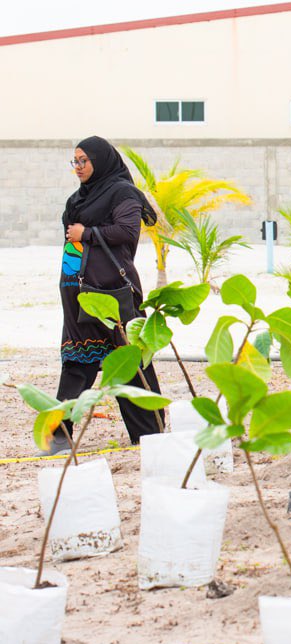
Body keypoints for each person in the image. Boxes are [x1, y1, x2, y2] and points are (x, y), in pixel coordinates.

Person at [53, 136, 164, 452]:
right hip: (77, 292)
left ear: (100, 161)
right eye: (75, 161)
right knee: (76, 361)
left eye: (83, 161)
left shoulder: (122, 193)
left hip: (113, 292)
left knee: (130, 361)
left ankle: (151, 435)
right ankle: (58, 437)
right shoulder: (78, 199)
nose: (78, 167)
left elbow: (127, 232)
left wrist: (86, 232)